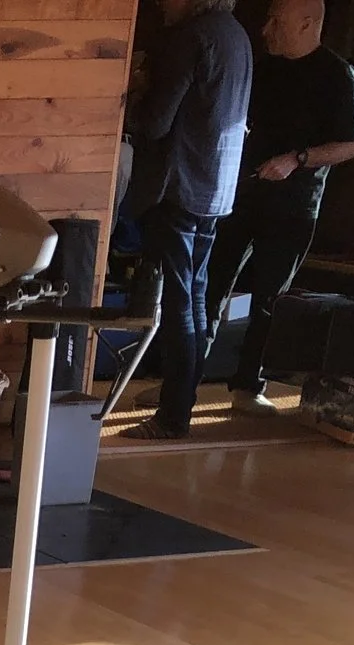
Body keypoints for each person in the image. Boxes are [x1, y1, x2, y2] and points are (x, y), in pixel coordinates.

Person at [208, 0, 354, 409]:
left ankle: (247, 388)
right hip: (241, 197)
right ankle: (183, 384)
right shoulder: (264, 68)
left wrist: (297, 159)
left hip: (294, 206)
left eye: (277, 21)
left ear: (308, 23)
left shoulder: (337, 75)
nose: (266, 29)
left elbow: (352, 144)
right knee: (208, 289)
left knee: (268, 301)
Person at [125, 0, 253, 440]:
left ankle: (172, 416)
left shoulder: (189, 37)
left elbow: (157, 123)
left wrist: (129, 99)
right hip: (213, 187)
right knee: (194, 302)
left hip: (175, 184)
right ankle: (180, 405)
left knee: (178, 305)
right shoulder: (235, 34)